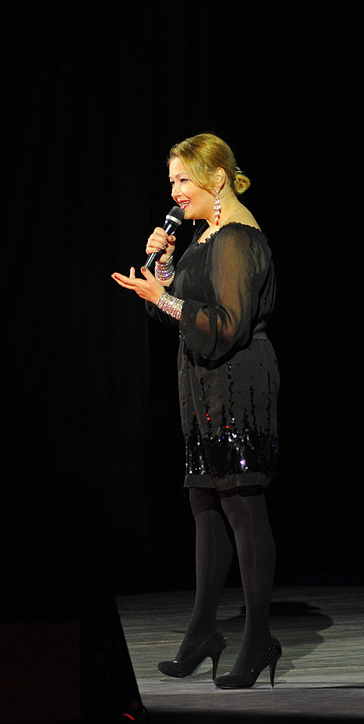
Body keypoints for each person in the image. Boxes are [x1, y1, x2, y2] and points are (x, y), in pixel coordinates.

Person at [112, 133, 281, 689]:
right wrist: (161, 275)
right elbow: (185, 314)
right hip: (204, 383)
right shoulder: (205, 235)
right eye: (172, 181)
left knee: (241, 505)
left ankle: (258, 640)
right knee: (205, 504)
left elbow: (226, 327)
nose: (175, 192)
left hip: (236, 383)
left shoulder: (235, 237)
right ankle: (202, 633)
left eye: (183, 179)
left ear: (217, 178)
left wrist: (162, 297)